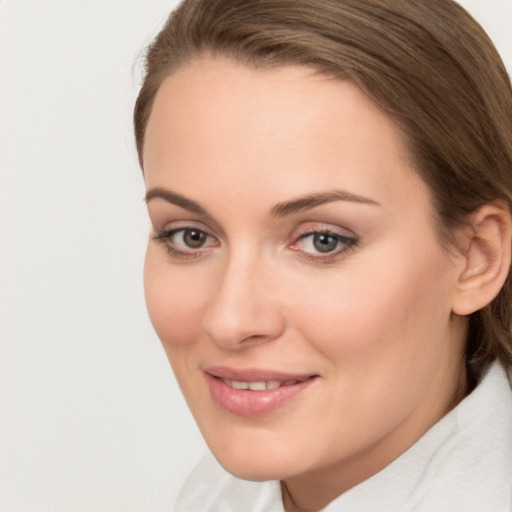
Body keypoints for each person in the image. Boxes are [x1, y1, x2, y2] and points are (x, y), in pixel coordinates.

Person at [134, 0, 512, 510]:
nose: (230, 320)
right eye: (190, 236)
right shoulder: (218, 494)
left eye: (322, 240)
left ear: (476, 257)